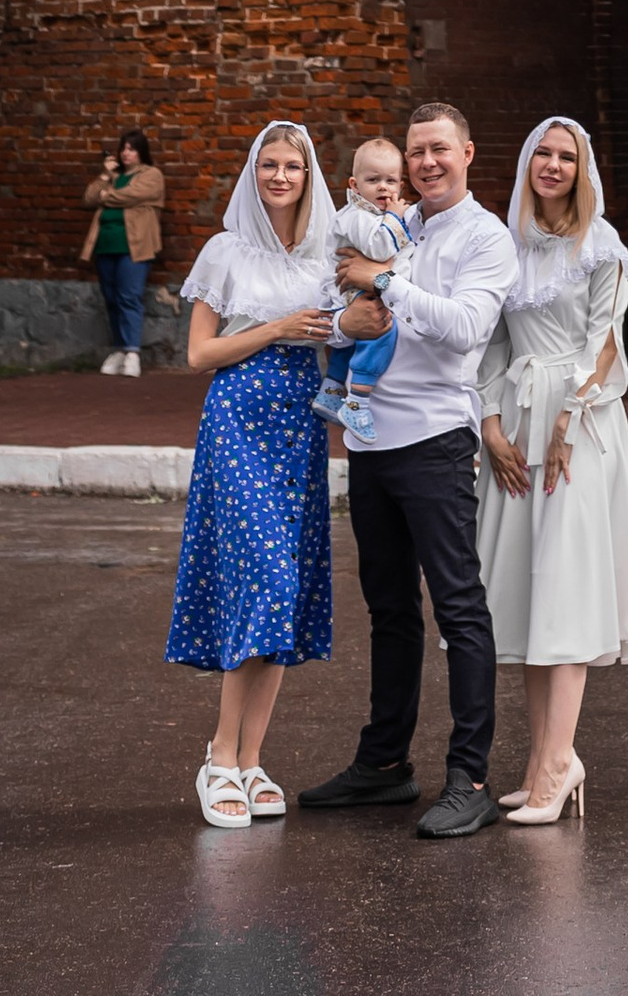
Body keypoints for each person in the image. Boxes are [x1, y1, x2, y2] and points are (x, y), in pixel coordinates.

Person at [297, 99, 519, 842]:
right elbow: (342, 302)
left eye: (438, 150)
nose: (425, 163)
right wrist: (349, 306)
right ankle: (385, 764)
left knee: (459, 607)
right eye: (416, 151)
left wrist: (385, 282)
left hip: (435, 441)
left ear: (467, 154)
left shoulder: (486, 237)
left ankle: (471, 777)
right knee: (390, 609)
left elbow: (465, 329)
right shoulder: (392, 223)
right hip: (369, 442)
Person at [477, 116, 628, 827]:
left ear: (583, 171)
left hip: (578, 424)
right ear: (526, 163)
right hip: (516, 423)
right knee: (525, 598)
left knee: (566, 592)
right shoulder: (506, 247)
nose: (553, 166)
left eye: (566, 157)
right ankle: (540, 761)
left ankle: (560, 761)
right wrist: (490, 424)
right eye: (543, 154)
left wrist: (568, 417)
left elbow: (605, 344)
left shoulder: (600, 246)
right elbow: (490, 344)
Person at [165, 121, 342, 828]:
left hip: (299, 426)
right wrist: (275, 329)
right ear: (253, 172)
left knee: (284, 592)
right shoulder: (225, 251)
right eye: (267, 164)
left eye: (291, 166)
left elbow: (359, 321)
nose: (278, 176)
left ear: (308, 176)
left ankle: (251, 760)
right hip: (237, 417)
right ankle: (218, 757)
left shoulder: (331, 252)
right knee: (267, 576)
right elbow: (198, 354)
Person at [313, 134, 414, 448]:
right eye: (373, 180)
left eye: (391, 180)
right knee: (380, 330)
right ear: (354, 186)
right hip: (353, 292)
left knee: (349, 344)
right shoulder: (357, 216)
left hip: (355, 288)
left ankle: (331, 391)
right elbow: (381, 245)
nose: (383, 187)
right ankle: (357, 401)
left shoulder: (372, 215)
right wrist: (397, 219)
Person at [82, 129, 166, 376]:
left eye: (132, 149)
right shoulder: (113, 176)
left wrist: (106, 196)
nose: (126, 153)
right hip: (106, 245)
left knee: (130, 296)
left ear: (142, 152)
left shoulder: (151, 175)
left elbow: (135, 195)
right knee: (111, 298)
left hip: (135, 246)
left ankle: (132, 352)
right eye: (124, 149)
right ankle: (119, 348)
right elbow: (89, 198)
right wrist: (106, 175)